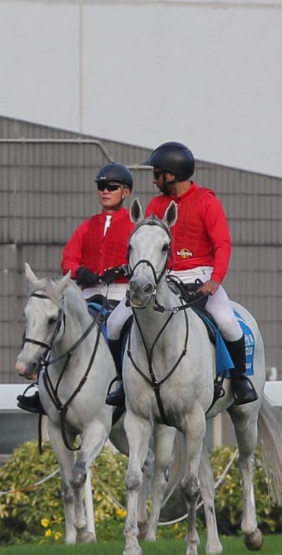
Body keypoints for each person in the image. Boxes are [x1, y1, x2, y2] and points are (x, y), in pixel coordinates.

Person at [105, 141, 257, 407]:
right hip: (165, 278)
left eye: (157, 173)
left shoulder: (207, 202)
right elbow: (144, 245)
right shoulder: (155, 204)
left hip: (202, 277)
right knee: (116, 321)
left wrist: (215, 280)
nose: (153, 180)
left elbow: (222, 244)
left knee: (228, 322)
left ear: (172, 174)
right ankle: (121, 382)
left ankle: (241, 379)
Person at [17, 163, 134, 415]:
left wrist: (125, 269)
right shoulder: (87, 226)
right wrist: (79, 270)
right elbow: (69, 257)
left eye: (111, 187)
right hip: (88, 293)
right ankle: (42, 387)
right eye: (101, 187)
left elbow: (143, 259)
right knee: (53, 325)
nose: (104, 191)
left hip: (120, 294)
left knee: (119, 330)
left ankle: (124, 384)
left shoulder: (134, 226)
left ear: (125, 191)